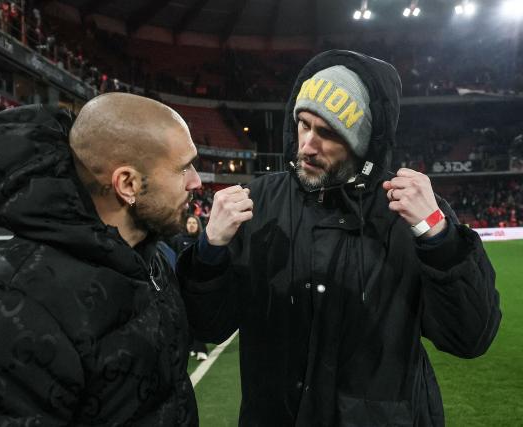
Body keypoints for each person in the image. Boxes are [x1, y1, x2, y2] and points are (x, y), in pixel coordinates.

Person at [176, 50, 501, 426]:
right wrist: (209, 252)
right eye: (303, 124)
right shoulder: (259, 202)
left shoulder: (406, 210)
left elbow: (470, 338)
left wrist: (439, 236)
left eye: (328, 132)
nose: (307, 145)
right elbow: (208, 326)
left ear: (361, 142)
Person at [0, 95, 202, 426]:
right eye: (183, 167)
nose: (196, 181)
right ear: (127, 184)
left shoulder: (147, 261)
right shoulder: (5, 310)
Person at [170, 214, 209, 361]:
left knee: (198, 316)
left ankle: (201, 349)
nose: (191, 225)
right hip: (183, 284)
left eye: (194, 222)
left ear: (198, 225)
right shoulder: (179, 240)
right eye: (189, 222)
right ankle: (192, 345)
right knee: (186, 316)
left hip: (199, 283)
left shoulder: (203, 239)